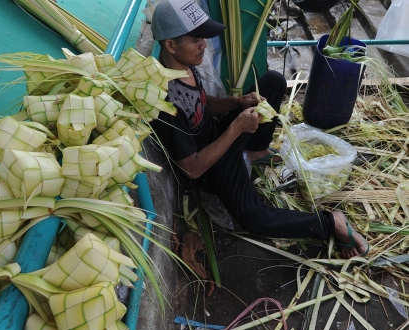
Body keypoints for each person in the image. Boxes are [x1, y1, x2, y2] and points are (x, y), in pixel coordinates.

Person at [149, 0, 368, 258]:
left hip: (219, 136)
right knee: (255, 219)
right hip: (211, 165)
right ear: (171, 45)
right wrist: (235, 129)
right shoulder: (164, 103)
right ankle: (332, 222)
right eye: (196, 39)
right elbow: (192, 169)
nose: (204, 45)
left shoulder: (184, 66)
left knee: (273, 82)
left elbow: (201, 104)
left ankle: (254, 151)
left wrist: (236, 102)